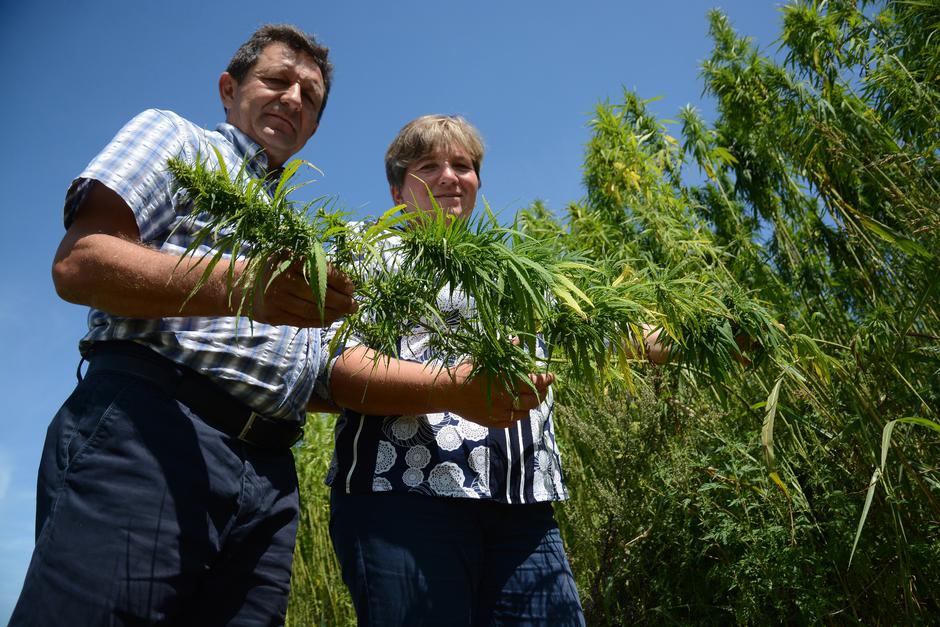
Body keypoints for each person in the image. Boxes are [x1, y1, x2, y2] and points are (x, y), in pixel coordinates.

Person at [10, 24, 357, 626]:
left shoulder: (301, 235)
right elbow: (82, 261)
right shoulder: (179, 140)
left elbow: (308, 378)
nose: (294, 100)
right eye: (277, 80)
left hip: (272, 479)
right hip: (152, 429)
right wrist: (248, 287)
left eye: (311, 98)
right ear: (228, 89)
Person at [322, 115, 586, 626]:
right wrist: (455, 390)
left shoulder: (517, 269)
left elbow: (595, 326)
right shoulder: (367, 250)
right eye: (429, 166)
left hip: (523, 508)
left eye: (463, 165)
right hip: (403, 500)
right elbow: (338, 370)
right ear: (398, 190)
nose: (449, 176)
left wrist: (685, 337)